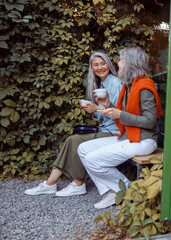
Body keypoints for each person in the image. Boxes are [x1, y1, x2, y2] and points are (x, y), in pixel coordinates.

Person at [25, 52, 123, 197]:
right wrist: (93, 111)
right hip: (106, 128)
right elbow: (103, 117)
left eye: (103, 63)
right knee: (74, 139)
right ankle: (51, 183)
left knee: (74, 140)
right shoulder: (101, 84)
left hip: (116, 131)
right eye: (96, 65)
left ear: (109, 64)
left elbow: (120, 113)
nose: (100, 67)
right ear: (91, 68)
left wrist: (97, 108)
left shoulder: (115, 82)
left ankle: (76, 184)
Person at [77, 47, 163, 209]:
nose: (117, 63)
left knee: (92, 159)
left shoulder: (144, 87)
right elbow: (121, 113)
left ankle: (126, 189)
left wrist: (120, 114)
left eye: (121, 60)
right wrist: (107, 105)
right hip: (128, 136)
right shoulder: (129, 86)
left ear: (130, 63)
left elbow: (150, 122)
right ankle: (113, 191)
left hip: (144, 140)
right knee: (83, 149)